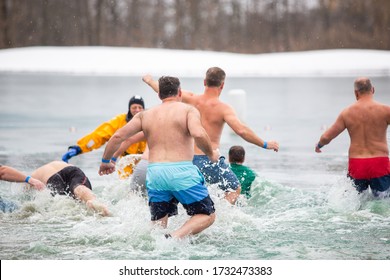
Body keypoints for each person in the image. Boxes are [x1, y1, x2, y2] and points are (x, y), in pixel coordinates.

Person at [99, 76, 219, 239]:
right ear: (180, 92)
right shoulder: (188, 110)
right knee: (207, 215)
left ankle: (159, 243)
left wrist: (106, 162)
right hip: (181, 171)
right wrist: (211, 153)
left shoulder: (145, 115)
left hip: (154, 173)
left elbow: (118, 136)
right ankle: (174, 237)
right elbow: (198, 133)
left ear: (159, 95)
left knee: (158, 225)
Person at [142, 67, 279, 204]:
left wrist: (149, 81)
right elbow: (241, 130)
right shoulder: (224, 108)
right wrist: (265, 144)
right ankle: (220, 217)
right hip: (209, 159)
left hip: (187, 159)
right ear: (222, 85)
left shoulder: (191, 99)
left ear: (204, 82)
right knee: (234, 188)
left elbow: (166, 92)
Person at [315, 77, 390, 198]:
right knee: (382, 202)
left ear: (356, 93)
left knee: (356, 202)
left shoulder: (347, 113)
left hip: (357, 164)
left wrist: (319, 145)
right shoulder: (386, 110)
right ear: (373, 90)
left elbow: (326, 137)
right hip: (379, 163)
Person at [62, 95, 147, 177]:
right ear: (129, 108)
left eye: (140, 107)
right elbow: (100, 135)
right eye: (134, 107)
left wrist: (110, 159)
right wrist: (79, 148)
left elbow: (129, 140)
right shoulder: (119, 121)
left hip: (146, 161)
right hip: (126, 164)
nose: (137, 110)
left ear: (144, 109)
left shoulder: (149, 121)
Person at [1, 162, 110, 216]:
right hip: (73, 171)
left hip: (50, 178)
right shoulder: (58, 163)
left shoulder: (35, 175)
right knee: (78, 188)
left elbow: (27, 195)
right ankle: (92, 201)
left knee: (64, 204)